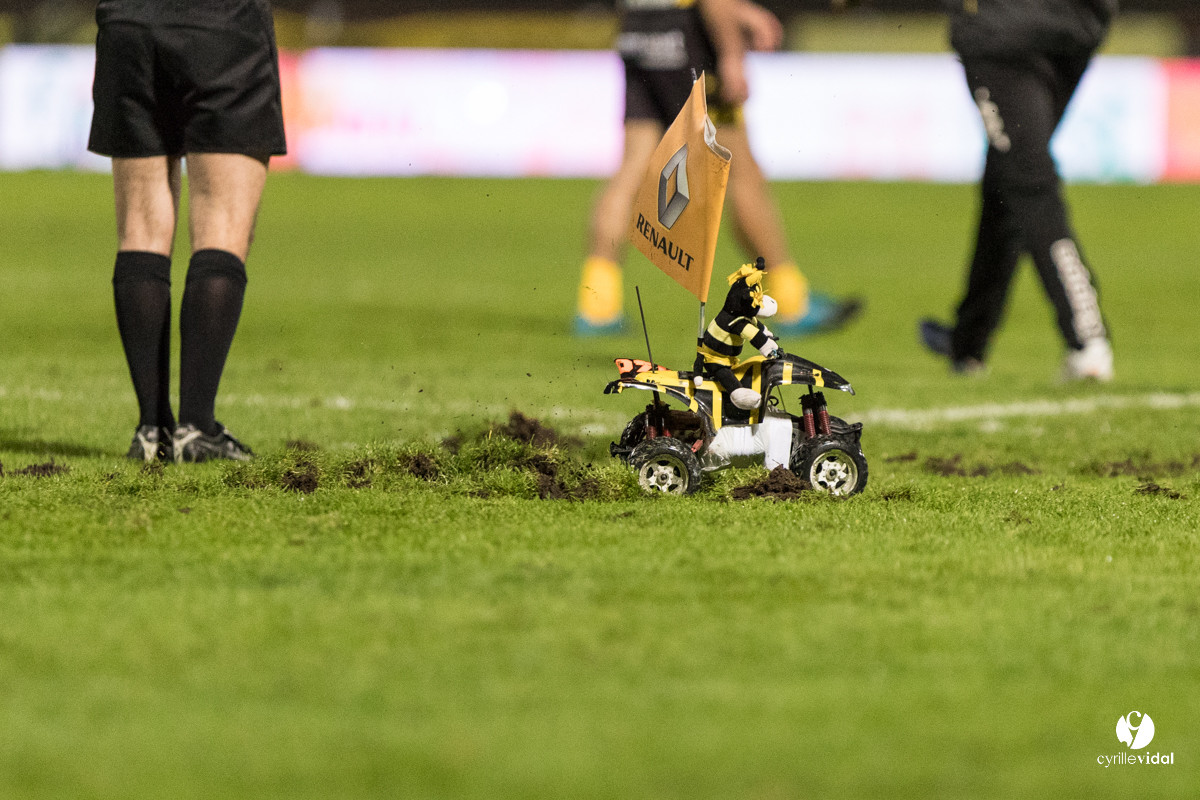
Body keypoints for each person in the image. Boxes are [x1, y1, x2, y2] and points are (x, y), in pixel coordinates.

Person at [575, 0, 861, 336]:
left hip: (640, 28)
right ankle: (792, 299)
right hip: (689, 40)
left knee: (632, 169)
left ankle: (597, 307)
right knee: (741, 171)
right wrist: (731, 55)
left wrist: (742, 13)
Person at [88, 0, 286, 462]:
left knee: (140, 229)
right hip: (221, 25)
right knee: (222, 223)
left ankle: (152, 430)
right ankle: (197, 428)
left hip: (127, 22)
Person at [920, 0, 1116, 381]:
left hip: (1004, 30)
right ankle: (968, 343)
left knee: (1028, 182)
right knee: (1009, 177)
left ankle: (1087, 339)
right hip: (1076, 26)